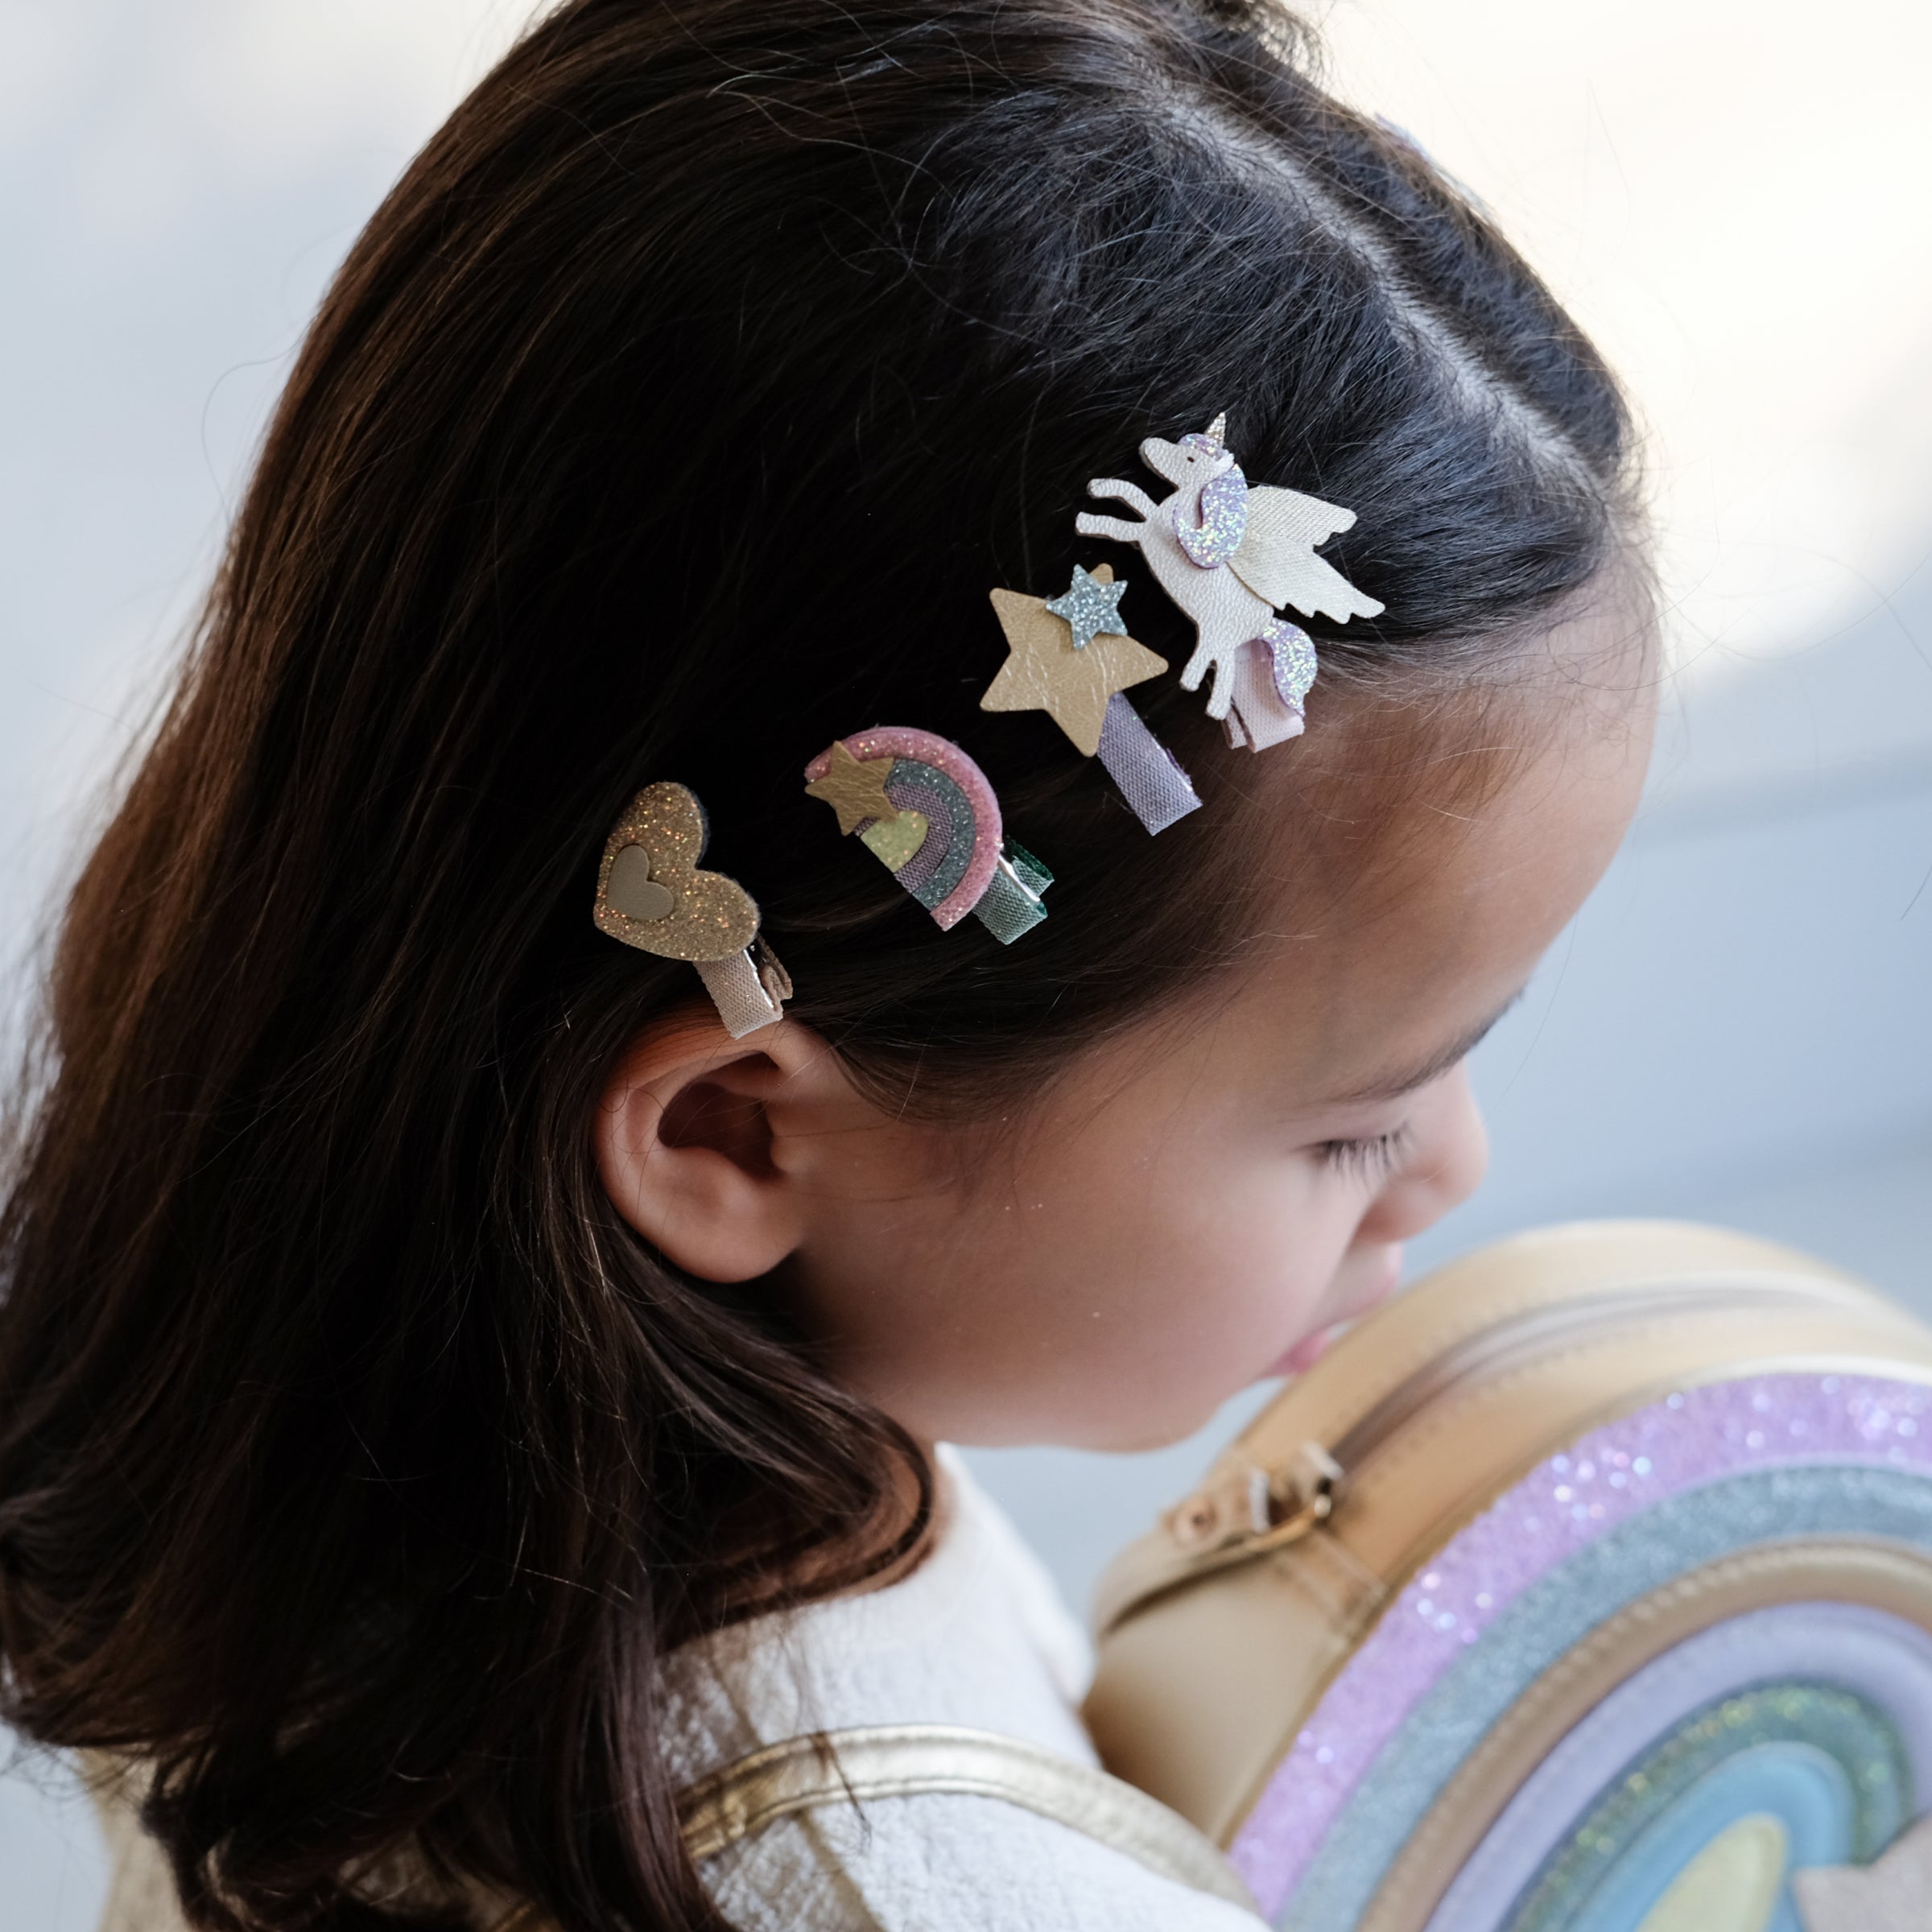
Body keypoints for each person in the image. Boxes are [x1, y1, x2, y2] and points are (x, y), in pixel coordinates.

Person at [0, 1, 1657, 1926]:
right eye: (1356, 1122)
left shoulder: (325, 1414)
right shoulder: (927, 1893)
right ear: (734, 1130)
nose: (1452, 1167)